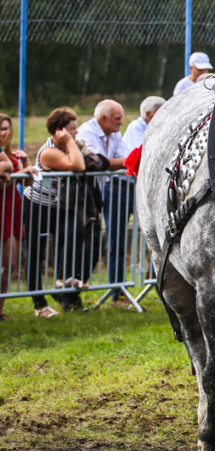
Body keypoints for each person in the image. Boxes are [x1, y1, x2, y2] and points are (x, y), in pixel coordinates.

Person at [22, 108, 88, 316]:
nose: (77, 132)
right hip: (37, 205)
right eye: (72, 129)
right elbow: (78, 166)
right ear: (60, 131)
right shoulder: (49, 152)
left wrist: (73, 143)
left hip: (59, 206)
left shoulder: (69, 145)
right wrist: (70, 143)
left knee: (76, 231)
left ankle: (63, 278)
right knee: (36, 252)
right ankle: (39, 303)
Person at [79, 100, 133, 299]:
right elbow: (98, 163)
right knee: (84, 242)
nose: (121, 123)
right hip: (84, 195)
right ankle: (71, 292)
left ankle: (77, 291)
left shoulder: (115, 133)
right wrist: (115, 163)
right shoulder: (87, 132)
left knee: (95, 244)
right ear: (104, 119)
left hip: (100, 194)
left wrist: (114, 163)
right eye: (117, 119)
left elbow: (123, 159)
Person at [0, 114, 38, 321]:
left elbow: (27, 183)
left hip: (12, 208)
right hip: (0, 207)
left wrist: (26, 164)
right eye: (1, 129)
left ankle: (0, 309)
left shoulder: (13, 155)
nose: (4, 133)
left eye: (7, 128)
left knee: (10, 263)